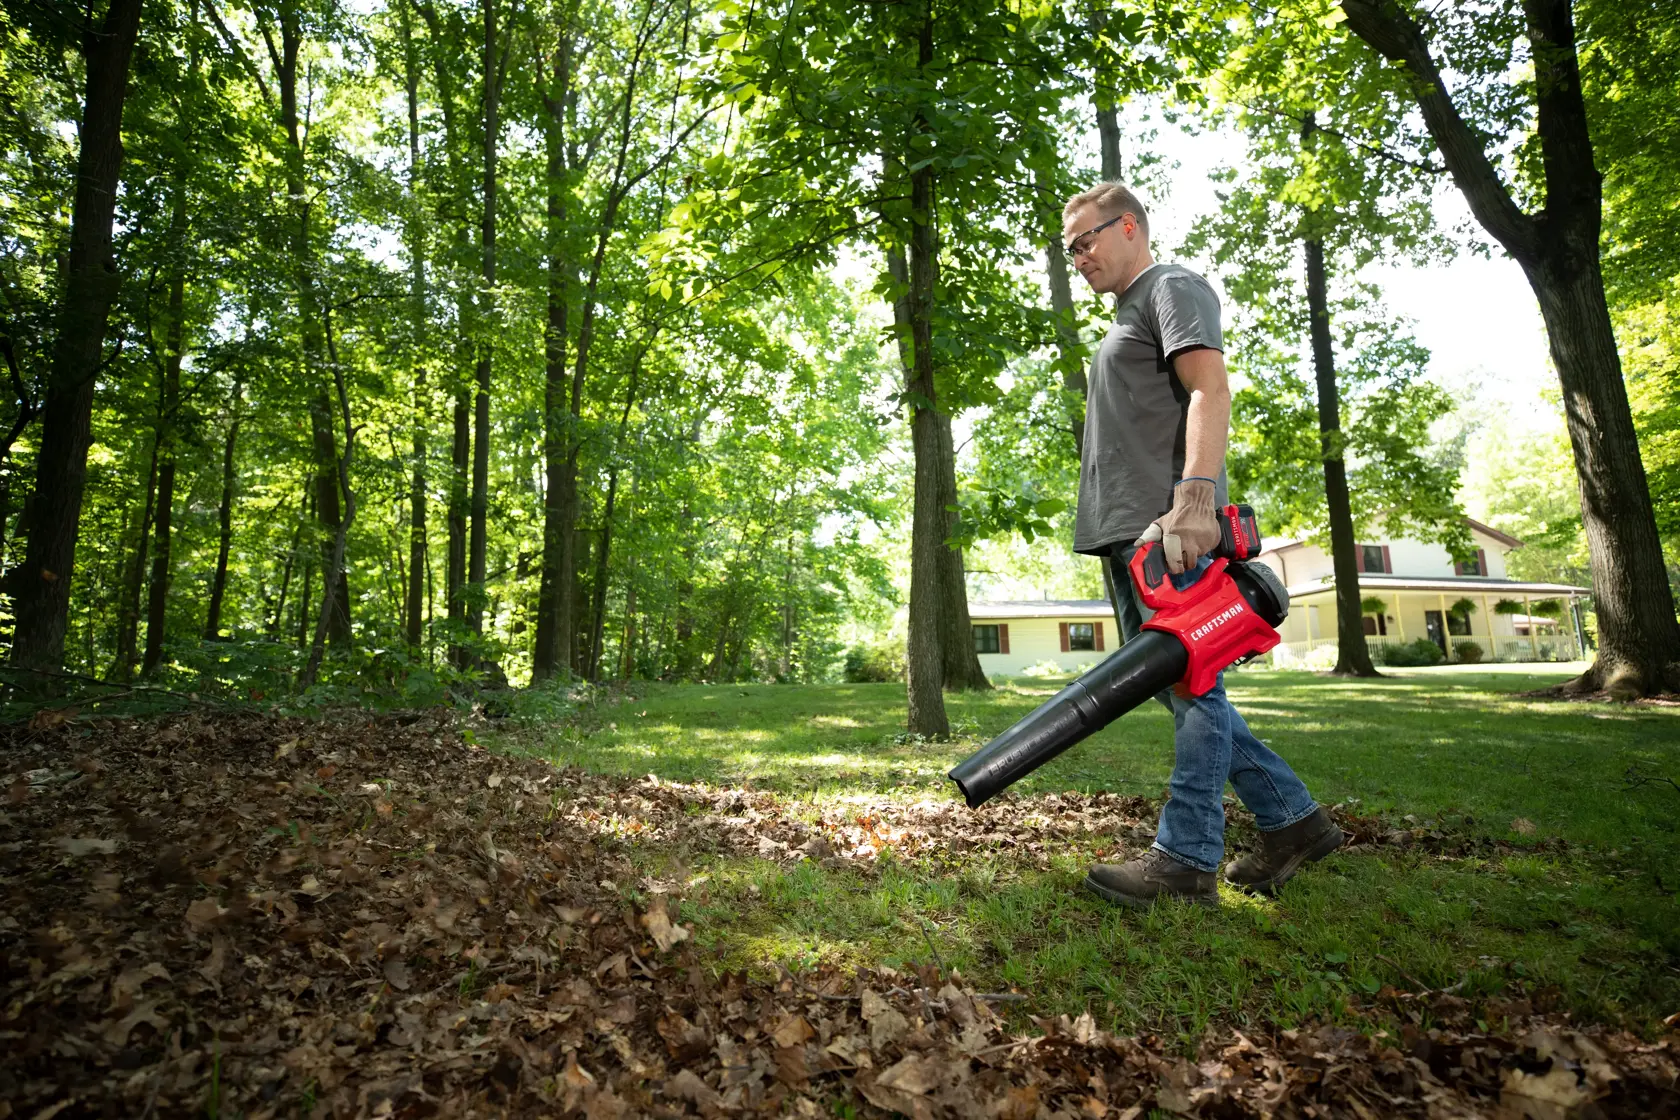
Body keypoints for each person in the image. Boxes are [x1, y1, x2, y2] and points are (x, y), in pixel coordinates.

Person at [1061, 182, 1343, 908]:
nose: (1078, 257)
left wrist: (1193, 502)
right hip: (1130, 533)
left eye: (1086, 240)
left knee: (1194, 686)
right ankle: (1294, 822)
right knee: (1180, 689)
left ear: (1129, 226)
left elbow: (1209, 390)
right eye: (1069, 250)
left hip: (1168, 535)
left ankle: (1186, 859)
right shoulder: (1127, 313)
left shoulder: (1171, 287)